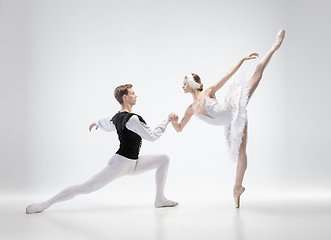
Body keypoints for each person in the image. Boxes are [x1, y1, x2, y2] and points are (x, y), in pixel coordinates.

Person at [168, 30, 285, 208]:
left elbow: (228, 75)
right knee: (240, 153)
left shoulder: (208, 92)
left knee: (257, 74)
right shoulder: (190, 109)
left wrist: (242, 59)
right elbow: (179, 128)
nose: (182, 86)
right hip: (230, 123)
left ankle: (274, 47)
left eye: (184, 83)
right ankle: (237, 188)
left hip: (233, 106)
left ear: (193, 84)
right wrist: (173, 120)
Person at [26, 84, 178, 214]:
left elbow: (109, 123)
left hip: (133, 163)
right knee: (86, 188)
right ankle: (43, 205)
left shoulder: (118, 117)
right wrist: (167, 121)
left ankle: (160, 199)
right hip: (121, 163)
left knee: (164, 159)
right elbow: (152, 136)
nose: (136, 95)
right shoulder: (132, 119)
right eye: (132, 93)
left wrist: (97, 122)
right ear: (125, 97)